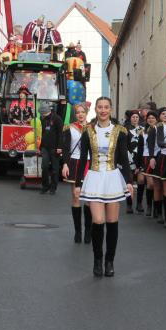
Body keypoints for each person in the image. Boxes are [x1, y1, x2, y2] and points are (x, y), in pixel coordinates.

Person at [76, 97, 134, 277]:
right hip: (94, 177)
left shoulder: (120, 131)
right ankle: (97, 260)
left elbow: (124, 157)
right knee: (98, 221)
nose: (103, 110)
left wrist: (129, 181)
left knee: (112, 222)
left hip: (112, 178)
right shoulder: (87, 131)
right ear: (96, 110)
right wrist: (78, 183)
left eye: (106, 107)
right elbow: (82, 157)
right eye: (100, 107)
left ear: (110, 110)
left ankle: (110, 261)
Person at [62, 103, 92, 243]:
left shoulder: (93, 128)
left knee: (89, 199)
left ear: (87, 113)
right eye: (78, 112)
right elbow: (66, 148)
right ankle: (78, 231)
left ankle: (88, 231)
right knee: (76, 196)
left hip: (89, 164)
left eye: (83, 112)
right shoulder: (69, 128)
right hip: (74, 162)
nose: (80, 114)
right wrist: (65, 164)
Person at [38, 102, 63, 195]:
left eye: (42, 112)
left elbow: (61, 134)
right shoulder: (42, 119)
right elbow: (42, 133)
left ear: (46, 111)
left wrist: (60, 147)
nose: (41, 114)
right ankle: (45, 186)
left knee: (55, 169)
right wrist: (40, 147)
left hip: (55, 148)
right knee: (44, 166)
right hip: (44, 147)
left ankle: (53, 187)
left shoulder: (57, 119)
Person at [139, 110, 159, 217]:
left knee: (157, 185)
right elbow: (140, 148)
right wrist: (139, 163)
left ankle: (156, 208)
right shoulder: (143, 132)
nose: (151, 120)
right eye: (149, 118)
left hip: (159, 157)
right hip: (146, 158)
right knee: (150, 184)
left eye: (153, 118)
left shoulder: (160, 130)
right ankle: (149, 206)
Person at [126, 110, 143, 214]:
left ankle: (139, 203)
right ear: (130, 118)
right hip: (129, 157)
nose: (135, 119)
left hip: (140, 157)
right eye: (133, 117)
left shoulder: (143, 129)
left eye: (137, 117)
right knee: (130, 181)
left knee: (140, 181)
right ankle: (129, 204)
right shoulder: (125, 129)